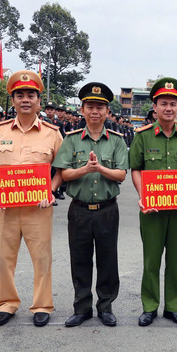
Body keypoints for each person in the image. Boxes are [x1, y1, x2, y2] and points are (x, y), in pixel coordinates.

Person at [0, 70, 63, 327]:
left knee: (42, 258)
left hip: (38, 208)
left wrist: (50, 190)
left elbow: (61, 169)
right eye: (20, 95)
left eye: (31, 95)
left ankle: (42, 305)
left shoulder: (52, 133)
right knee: (4, 258)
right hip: (6, 208)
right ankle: (6, 303)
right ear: (13, 100)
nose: (25, 99)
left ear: (39, 101)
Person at [53, 82, 128, 327]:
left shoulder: (116, 140)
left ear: (107, 112)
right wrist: (85, 168)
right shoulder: (72, 139)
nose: (95, 111)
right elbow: (64, 174)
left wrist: (100, 168)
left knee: (108, 259)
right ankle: (82, 307)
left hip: (107, 209)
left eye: (100, 107)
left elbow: (121, 175)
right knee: (80, 259)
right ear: (82, 110)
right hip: (80, 210)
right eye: (90, 107)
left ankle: (106, 307)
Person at [129, 77, 177, 327]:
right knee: (151, 259)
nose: (168, 108)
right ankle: (149, 306)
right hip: (152, 210)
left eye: (173, 103)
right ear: (155, 107)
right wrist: (143, 196)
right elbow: (136, 169)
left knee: (176, 260)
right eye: (163, 103)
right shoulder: (143, 136)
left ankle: (173, 307)